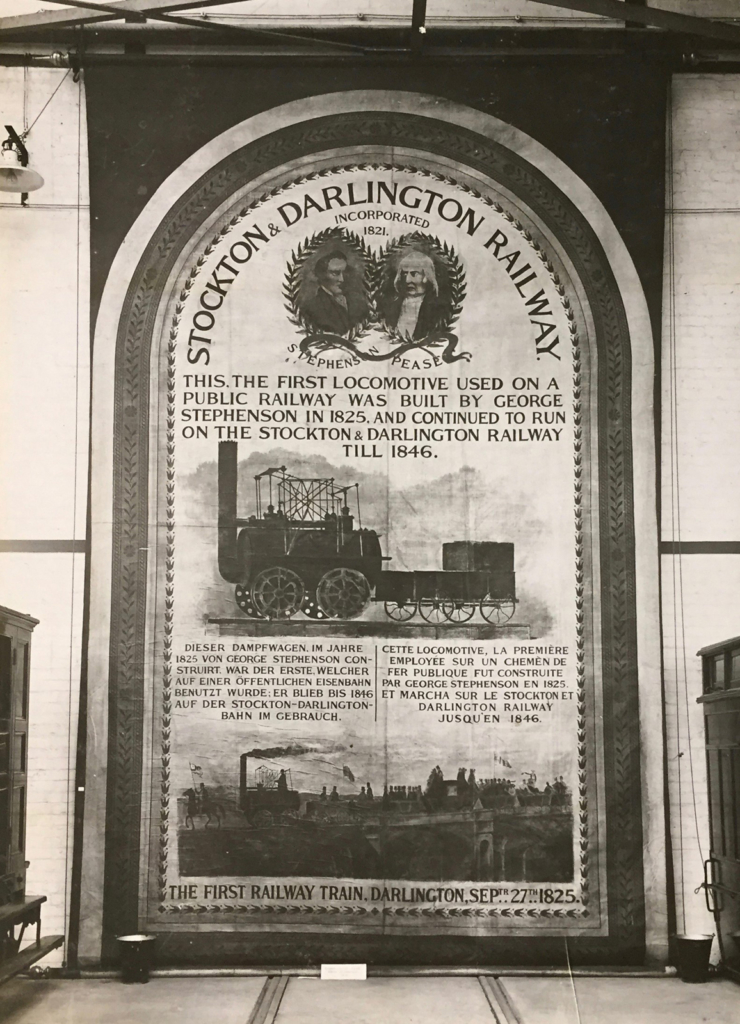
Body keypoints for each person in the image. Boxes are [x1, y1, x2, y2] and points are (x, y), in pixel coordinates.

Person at [381, 249, 447, 340]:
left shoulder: (438, 309)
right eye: (404, 274)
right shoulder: (391, 306)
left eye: (414, 274)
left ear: (426, 276)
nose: (408, 280)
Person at [301, 250, 369, 335]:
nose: (342, 279)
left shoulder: (359, 303)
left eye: (345, 273)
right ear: (322, 275)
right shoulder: (311, 308)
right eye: (335, 273)